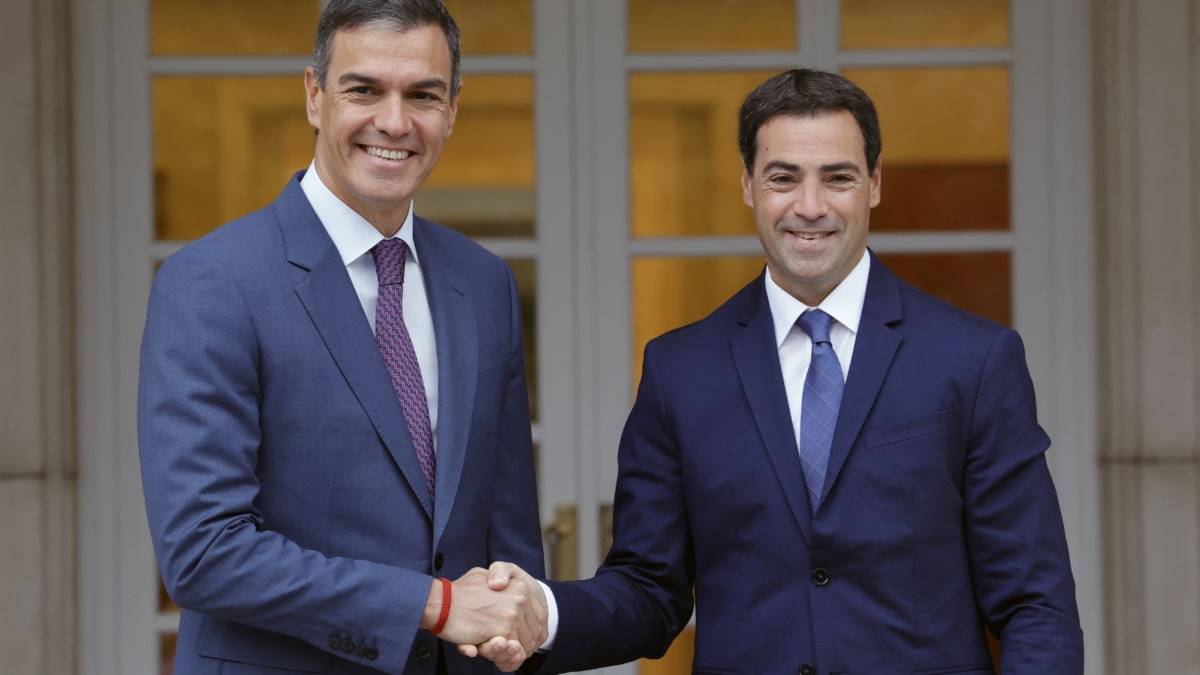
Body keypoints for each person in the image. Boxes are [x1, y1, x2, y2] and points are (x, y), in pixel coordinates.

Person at [487, 68, 1084, 674]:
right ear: (748, 185)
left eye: (838, 178)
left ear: (874, 183)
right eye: (783, 178)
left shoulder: (974, 359)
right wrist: (544, 610)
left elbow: (1035, 602)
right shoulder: (680, 371)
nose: (810, 206)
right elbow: (648, 591)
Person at [137, 1, 548, 673]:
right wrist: (435, 604)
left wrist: (510, 625)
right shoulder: (213, 280)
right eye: (364, 89)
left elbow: (506, 538)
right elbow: (204, 552)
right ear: (314, 95)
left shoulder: (483, 283)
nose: (394, 121)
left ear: (453, 108)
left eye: (423, 95)